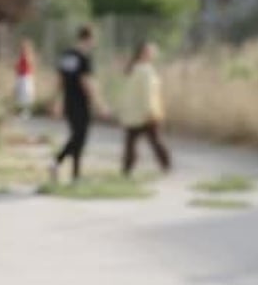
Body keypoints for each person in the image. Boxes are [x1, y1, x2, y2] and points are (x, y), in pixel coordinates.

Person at [50, 25, 109, 183]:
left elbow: (60, 80)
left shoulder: (67, 55)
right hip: (81, 102)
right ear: (88, 38)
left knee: (77, 137)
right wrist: (100, 105)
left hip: (69, 101)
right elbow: (86, 82)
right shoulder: (83, 57)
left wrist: (56, 100)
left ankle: (75, 175)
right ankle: (57, 161)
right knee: (79, 137)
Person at [119, 41, 171, 176]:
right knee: (155, 141)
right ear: (144, 53)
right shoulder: (146, 70)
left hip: (133, 113)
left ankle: (127, 169)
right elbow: (148, 93)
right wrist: (150, 111)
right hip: (146, 113)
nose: (154, 54)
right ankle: (166, 165)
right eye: (151, 51)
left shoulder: (133, 69)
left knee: (131, 143)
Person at [14, 38, 36, 119]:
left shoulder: (28, 55)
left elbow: (30, 64)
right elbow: (17, 66)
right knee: (20, 94)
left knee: (26, 93)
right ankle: (22, 110)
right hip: (20, 76)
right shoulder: (20, 56)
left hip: (26, 77)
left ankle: (27, 111)